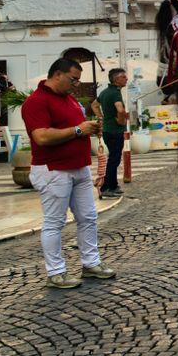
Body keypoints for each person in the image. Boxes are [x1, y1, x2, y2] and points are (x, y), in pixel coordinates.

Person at [20, 58, 115, 289]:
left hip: (78, 167)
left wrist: (88, 128)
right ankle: (56, 272)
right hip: (53, 169)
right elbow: (41, 137)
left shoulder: (69, 99)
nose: (76, 85)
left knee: (88, 217)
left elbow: (75, 128)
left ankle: (91, 264)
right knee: (54, 222)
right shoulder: (36, 101)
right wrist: (77, 130)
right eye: (73, 79)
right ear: (57, 75)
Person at [93, 68, 128, 199]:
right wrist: (120, 120)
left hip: (108, 130)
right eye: (123, 77)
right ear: (116, 79)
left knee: (114, 158)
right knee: (114, 159)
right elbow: (119, 108)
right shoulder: (115, 93)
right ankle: (106, 187)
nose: (126, 79)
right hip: (115, 131)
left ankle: (113, 185)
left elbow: (94, 105)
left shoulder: (104, 92)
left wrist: (101, 117)